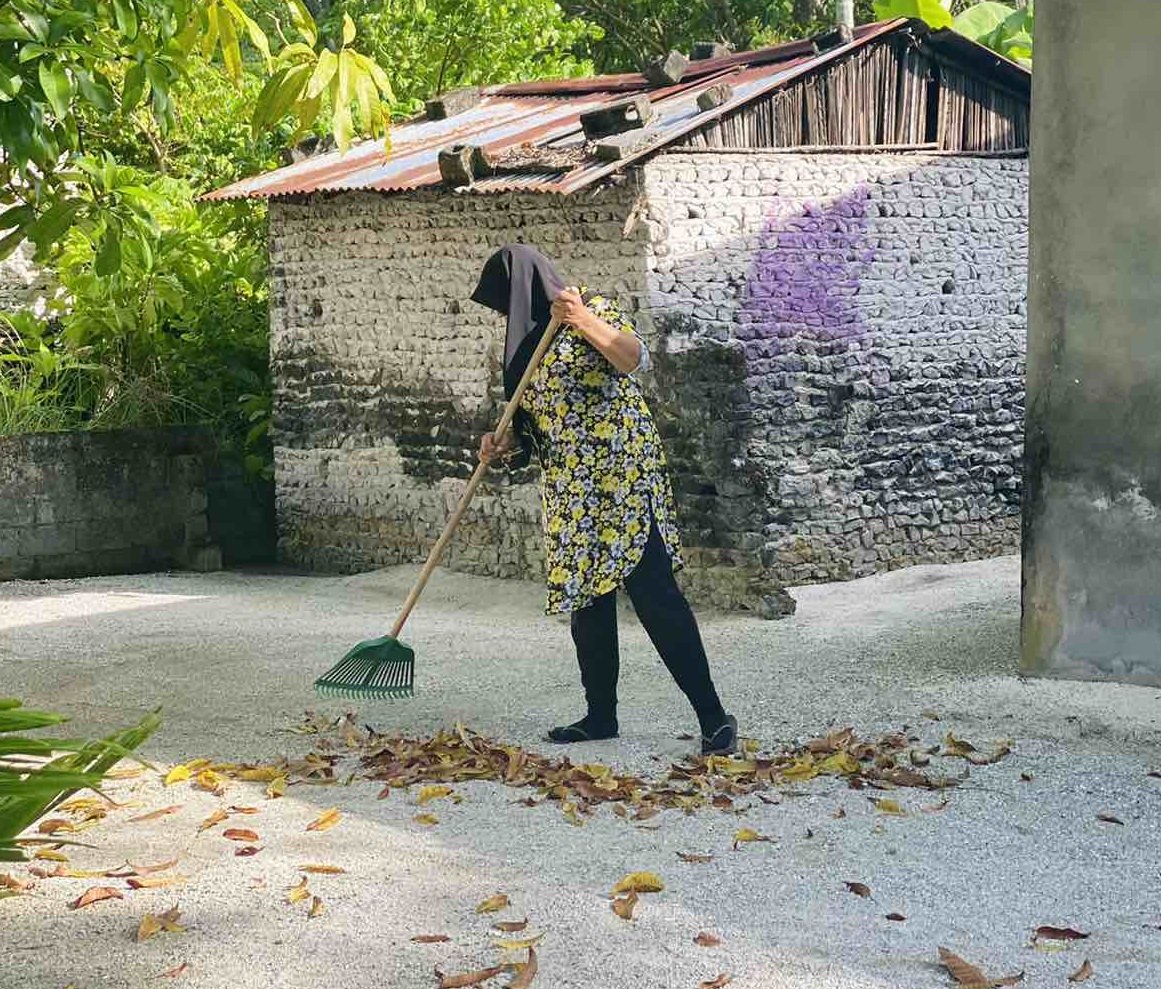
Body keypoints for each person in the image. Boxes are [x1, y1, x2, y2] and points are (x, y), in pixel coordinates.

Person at [470, 244, 737, 756]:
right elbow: (534, 426)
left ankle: (714, 717)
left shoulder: (590, 308)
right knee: (587, 603)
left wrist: (582, 321)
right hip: (571, 488)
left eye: (505, 302)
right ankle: (600, 716)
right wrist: (502, 446)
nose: (505, 315)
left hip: (622, 476)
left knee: (655, 594)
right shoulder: (522, 351)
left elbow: (633, 358)